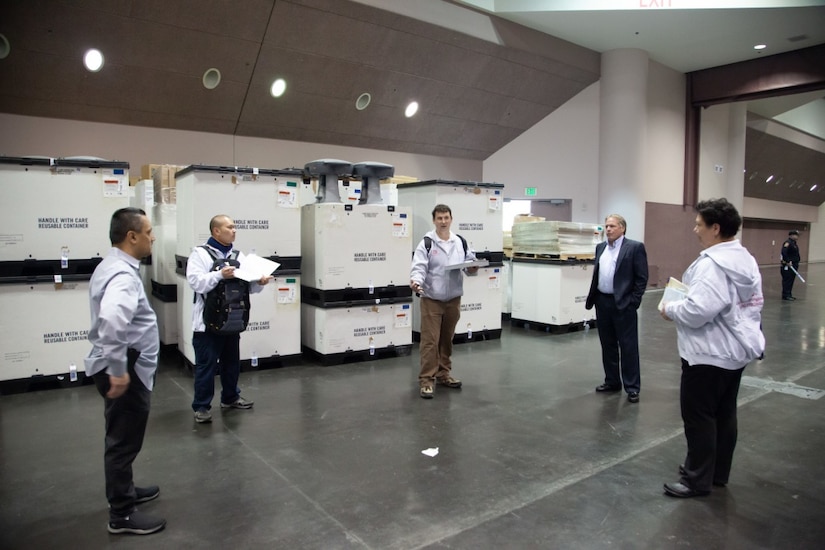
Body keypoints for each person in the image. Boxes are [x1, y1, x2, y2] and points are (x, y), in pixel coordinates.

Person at [660, 198, 765, 498]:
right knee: (724, 414)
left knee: (699, 417)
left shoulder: (712, 265)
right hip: (735, 352)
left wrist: (670, 308)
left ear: (715, 229)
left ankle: (696, 480)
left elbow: (698, 310)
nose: (695, 229)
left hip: (707, 354)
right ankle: (717, 473)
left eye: (698, 224)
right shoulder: (744, 259)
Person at [85, 207, 166, 535]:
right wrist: (119, 369)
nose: (153, 237)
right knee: (123, 442)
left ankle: (126, 491)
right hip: (123, 368)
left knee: (122, 436)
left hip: (122, 364)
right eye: (148, 232)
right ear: (132, 236)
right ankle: (122, 514)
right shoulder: (121, 275)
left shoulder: (113, 266)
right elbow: (113, 321)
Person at [187, 214, 272, 423]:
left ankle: (230, 397)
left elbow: (247, 285)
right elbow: (196, 282)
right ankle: (201, 407)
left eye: (234, 227)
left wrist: (259, 282)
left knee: (231, 362)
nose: (234, 230)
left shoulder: (238, 255)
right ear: (216, 231)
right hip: (207, 323)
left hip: (232, 319)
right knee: (206, 365)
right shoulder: (200, 254)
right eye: (230, 227)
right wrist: (219, 275)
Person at [410, 204, 478, 399]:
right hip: (432, 298)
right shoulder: (427, 243)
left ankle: (443, 374)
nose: (443, 221)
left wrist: (473, 268)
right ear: (434, 220)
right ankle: (426, 380)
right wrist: (416, 281)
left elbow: (469, 262)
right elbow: (419, 267)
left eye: (446, 217)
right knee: (430, 342)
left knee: (446, 340)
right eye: (439, 218)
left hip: (453, 299)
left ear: (451, 219)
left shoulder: (460, 242)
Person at [585, 214, 649, 403]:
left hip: (623, 304)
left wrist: (633, 302)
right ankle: (612, 381)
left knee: (628, 346)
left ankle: (632, 387)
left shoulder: (634, 248)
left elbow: (641, 278)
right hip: (603, 302)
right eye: (606, 226)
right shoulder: (601, 248)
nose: (608, 229)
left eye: (612, 226)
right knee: (608, 345)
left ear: (622, 228)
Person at [780, 229, 801, 301]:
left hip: (794, 265)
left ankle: (789, 294)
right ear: (791, 235)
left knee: (791, 280)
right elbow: (784, 252)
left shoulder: (794, 243)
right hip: (788, 265)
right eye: (796, 235)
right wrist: (788, 261)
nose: (797, 236)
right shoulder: (788, 243)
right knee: (787, 280)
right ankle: (786, 295)